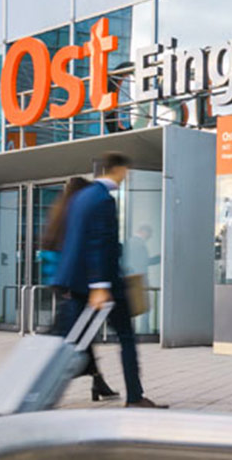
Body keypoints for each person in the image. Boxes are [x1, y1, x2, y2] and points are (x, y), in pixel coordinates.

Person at [52, 152, 166, 409]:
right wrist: (100, 286)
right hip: (101, 284)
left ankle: (46, 392)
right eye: (125, 172)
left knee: (70, 340)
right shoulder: (103, 200)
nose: (126, 177)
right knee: (125, 336)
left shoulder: (81, 197)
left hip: (76, 280)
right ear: (116, 170)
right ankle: (135, 397)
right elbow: (99, 244)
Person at [40, 176, 119, 402]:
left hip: (64, 283)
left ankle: (98, 382)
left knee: (82, 336)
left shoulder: (60, 214)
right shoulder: (74, 217)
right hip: (73, 286)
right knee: (70, 338)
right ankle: (45, 383)